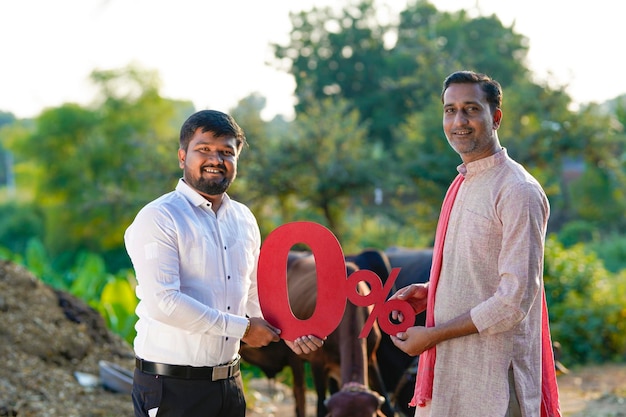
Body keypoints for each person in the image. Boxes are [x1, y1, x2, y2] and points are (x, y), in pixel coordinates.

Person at [125, 110, 324, 417]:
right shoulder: (159, 217)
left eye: (226, 152)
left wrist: (290, 331)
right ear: (182, 156)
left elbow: (255, 294)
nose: (215, 159)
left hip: (230, 386)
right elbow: (163, 302)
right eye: (203, 149)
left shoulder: (244, 219)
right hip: (172, 387)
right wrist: (244, 330)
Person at [389, 71, 561, 416]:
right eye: (450, 110)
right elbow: (478, 272)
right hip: (450, 377)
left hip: (493, 382)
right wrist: (431, 290)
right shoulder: (464, 182)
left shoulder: (517, 191)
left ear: (495, 117)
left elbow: (513, 301)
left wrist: (434, 334)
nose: (459, 121)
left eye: (470, 109)